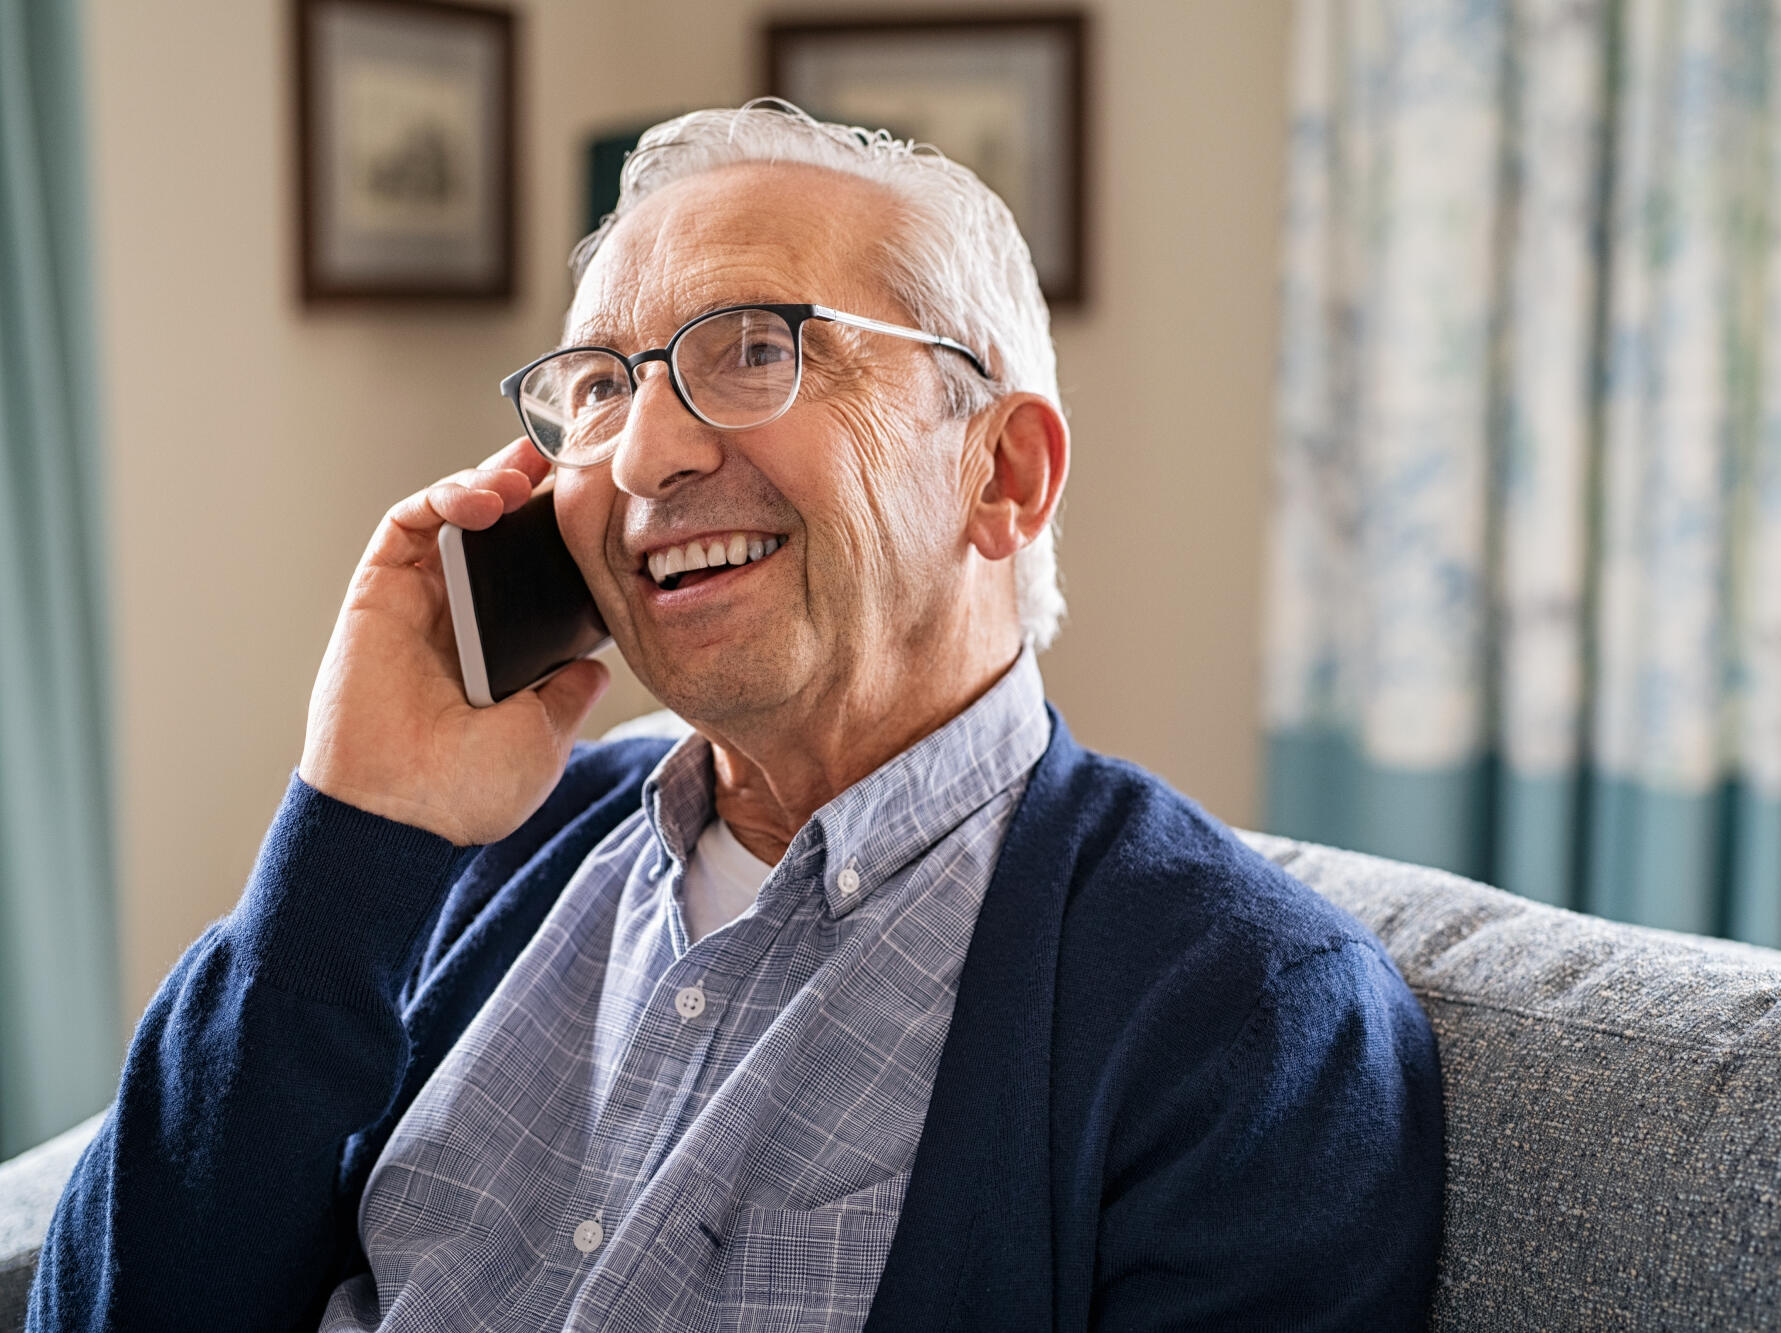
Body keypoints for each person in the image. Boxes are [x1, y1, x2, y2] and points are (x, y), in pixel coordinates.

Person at [30, 102, 1443, 1332]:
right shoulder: (477, 853)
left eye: (755, 348)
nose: (645, 451)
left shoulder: (1254, 1025)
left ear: (1003, 472)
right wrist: (355, 825)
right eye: (598, 388)